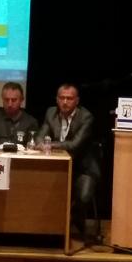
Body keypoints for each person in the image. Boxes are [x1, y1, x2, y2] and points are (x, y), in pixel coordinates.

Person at [36, 83, 99, 239]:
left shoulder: (86, 117)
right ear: (57, 99)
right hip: (58, 167)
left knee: (83, 197)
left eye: (69, 98)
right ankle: (50, 228)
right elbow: (39, 138)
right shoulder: (51, 113)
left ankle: (72, 219)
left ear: (77, 101)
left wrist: (50, 145)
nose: (65, 102)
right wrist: (41, 144)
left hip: (82, 168)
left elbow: (75, 145)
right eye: (62, 98)